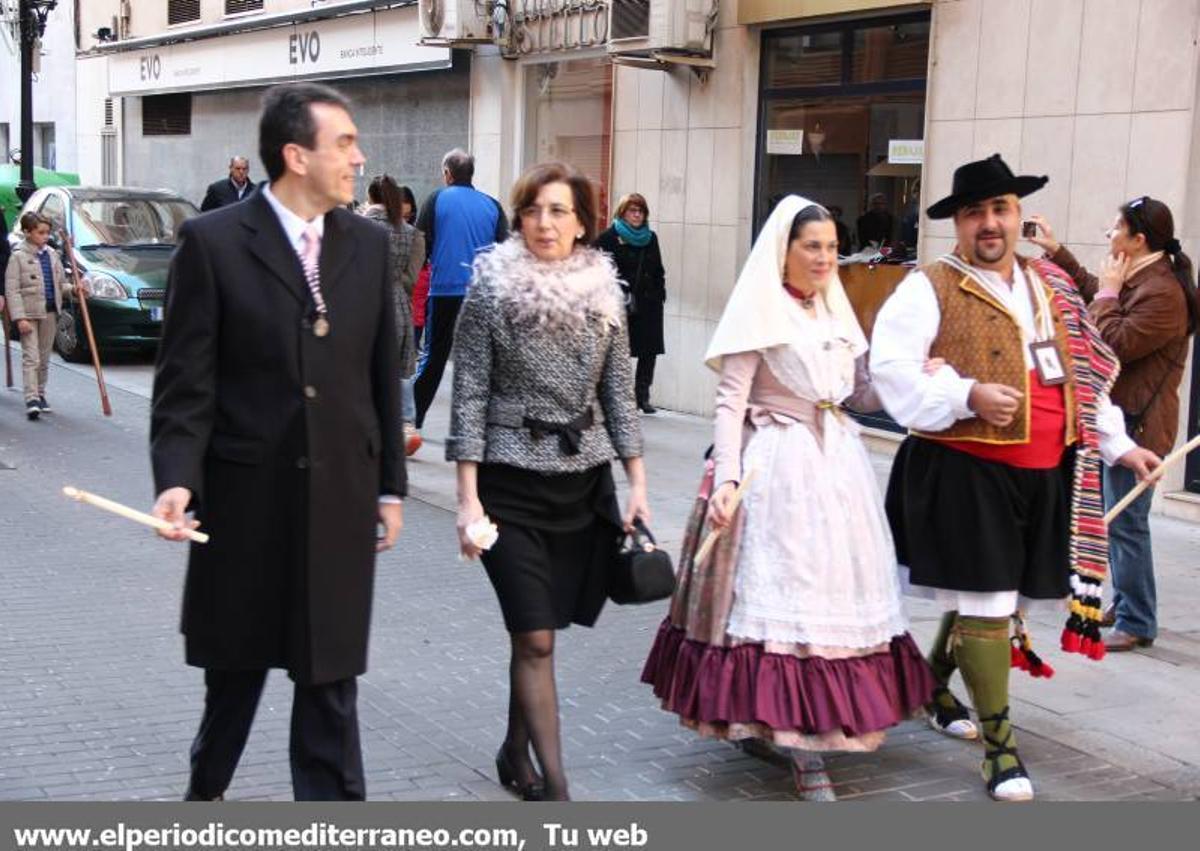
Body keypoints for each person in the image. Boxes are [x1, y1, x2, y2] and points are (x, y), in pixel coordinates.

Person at [870, 154, 1161, 802]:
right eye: (975, 212)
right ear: (959, 224)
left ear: (1018, 214)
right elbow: (890, 370)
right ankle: (1000, 749)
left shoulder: (1052, 285)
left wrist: (1119, 446)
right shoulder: (929, 286)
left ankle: (929, 683)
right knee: (988, 603)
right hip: (965, 471)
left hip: (1044, 474)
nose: (990, 223)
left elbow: (1081, 375)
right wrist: (966, 394)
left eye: (1000, 208)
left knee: (1002, 602)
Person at [150, 82, 405, 801]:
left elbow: (379, 377)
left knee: (330, 682)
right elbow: (185, 386)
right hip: (244, 503)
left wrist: (388, 485)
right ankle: (205, 796)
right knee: (234, 677)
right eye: (345, 142)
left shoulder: (368, 243)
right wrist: (176, 479)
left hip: (340, 502)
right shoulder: (214, 242)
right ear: (296, 155)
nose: (359, 156)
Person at [640, 197, 936, 802]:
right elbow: (730, 400)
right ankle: (802, 747)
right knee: (789, 602)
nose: (826, 257)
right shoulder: (760, 310)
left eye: (831, 246)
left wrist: (914, 378)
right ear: (786, 249)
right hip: (778, 467)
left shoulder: (835, 308)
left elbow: (857, 394)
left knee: (836, 594)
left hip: (839, 468)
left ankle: (811, 727)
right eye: (813, 246)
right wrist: (726, 477)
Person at [447, 162, 647, 802]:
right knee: (534, 634)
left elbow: (620, 394)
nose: (544, 222)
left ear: (583, 223)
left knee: (539, 633)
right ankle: (559, 793)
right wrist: (466, 496)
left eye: (559, 211)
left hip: (583, 486)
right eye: (534, 209)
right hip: (508, 486)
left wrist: (637, 481)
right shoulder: (489, 291)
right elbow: (469, 395)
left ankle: (514, 751)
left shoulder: (604, 295)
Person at [1026, 198, 1198, 652]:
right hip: (1116, 420)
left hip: (1139, 428)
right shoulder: (1137, 275)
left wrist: (1105, 294)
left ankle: (1138, 618)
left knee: (1126, 523)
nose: (1109, 233)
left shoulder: (1163, 293)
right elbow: (1092, 295)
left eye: (1116, 227)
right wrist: (1057, 251)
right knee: (1113, 521)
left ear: (1139, 239)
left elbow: (1110, 344)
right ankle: (1126, 606)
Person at [413, 149, 508, 430]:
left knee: (434, 356)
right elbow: (505, 250)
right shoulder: (492, 205)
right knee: (482, 359)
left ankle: (412, 417)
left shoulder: (437, 199)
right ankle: (481, 423)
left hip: (444, 290)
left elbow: (421, 243)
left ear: (447, 174)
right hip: (482, 293)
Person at [363, 174, 426, 457]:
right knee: (397, 373)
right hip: (398, 305)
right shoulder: (411, 233)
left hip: (364, 303)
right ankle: (402, 427)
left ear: (370, 197)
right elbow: (413, 277)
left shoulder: (359, 226)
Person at [595, 193, 667, 413]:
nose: (637, 215)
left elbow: (658, 269)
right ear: (622, 212)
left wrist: (659, 292)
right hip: (620, 304)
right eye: (632, 211)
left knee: (648, 352)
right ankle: (614, 397)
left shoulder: (651, 238)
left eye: (641, 211)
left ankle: (642, 396)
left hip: (648, 303)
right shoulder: (608, 238)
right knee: (618, 353)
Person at [4, 212, 72, 420]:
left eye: (47, 232)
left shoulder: (52, 255)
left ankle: (41, 393)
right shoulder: (18, 256)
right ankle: (31, 398)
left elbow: (61, 284)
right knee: (31, 357)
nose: (45, 236)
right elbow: (12, 289)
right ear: (27, 232)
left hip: (50, 311)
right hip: (29, 313)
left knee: (43, 357)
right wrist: (20, 317)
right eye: (40, 232)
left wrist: (75, 289)